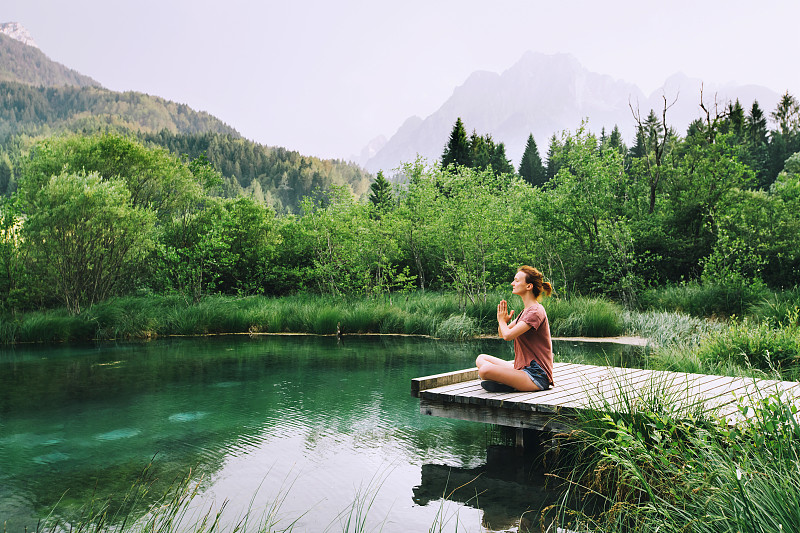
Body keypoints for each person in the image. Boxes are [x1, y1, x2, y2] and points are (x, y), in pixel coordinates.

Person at [475, 266, 553, 393]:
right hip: (523, 370)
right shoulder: (526, 312)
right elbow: (502, 333)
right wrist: (503, 322)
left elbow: (508, 336)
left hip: (536, 376)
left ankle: (509, 382)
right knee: (481, 358)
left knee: (484, 370)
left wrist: (501, 320)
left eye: (516, 280)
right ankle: (509, 382)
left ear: (529, 286)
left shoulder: (535, 312)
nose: (512, 283)